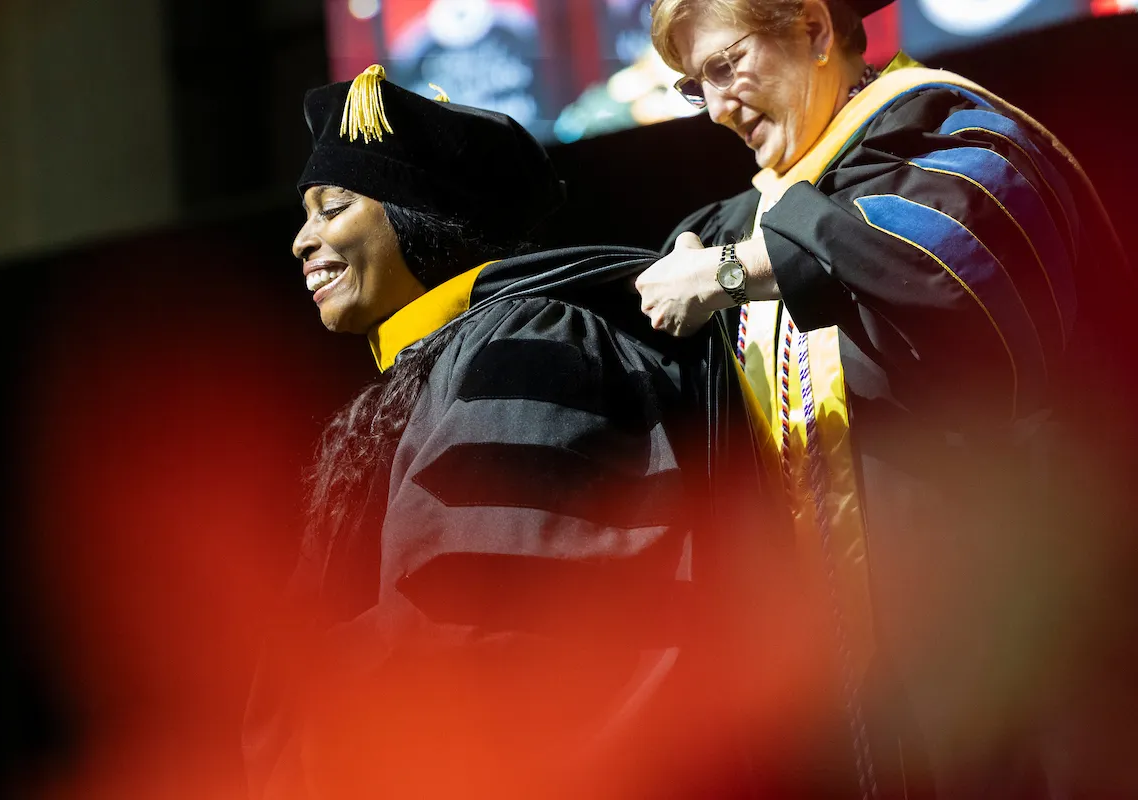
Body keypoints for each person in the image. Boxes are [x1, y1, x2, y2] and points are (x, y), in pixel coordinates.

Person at [242, 66, 801, 799]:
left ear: (419, 213)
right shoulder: (428, 376)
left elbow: (483, 620)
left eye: (334, 207)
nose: (301, 241)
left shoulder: (526, 342)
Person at [634, 0, 1134, 797]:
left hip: (1013, 642)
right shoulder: (751, 217)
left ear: (813, 28)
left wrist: (735, 271)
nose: (719, 108)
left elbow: (958, 273)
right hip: (855, 678)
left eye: (727, 66)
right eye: (698, 87)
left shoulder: (946, 135)